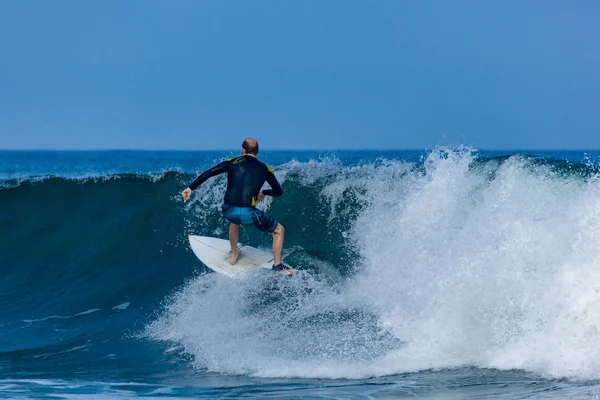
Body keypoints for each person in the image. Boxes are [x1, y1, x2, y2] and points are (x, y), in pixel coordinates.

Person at [181, 138, 292, 274]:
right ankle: (278, 266)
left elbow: (209, 173)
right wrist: (264, 192)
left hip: (228, 211)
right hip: (248, 213)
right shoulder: (265, 169)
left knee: (234, 221)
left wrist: (190, 188)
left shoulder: (232, 162)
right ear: (257, 152)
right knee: (279, 230)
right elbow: (278, 192)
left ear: (243, 150)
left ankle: (233, 255)